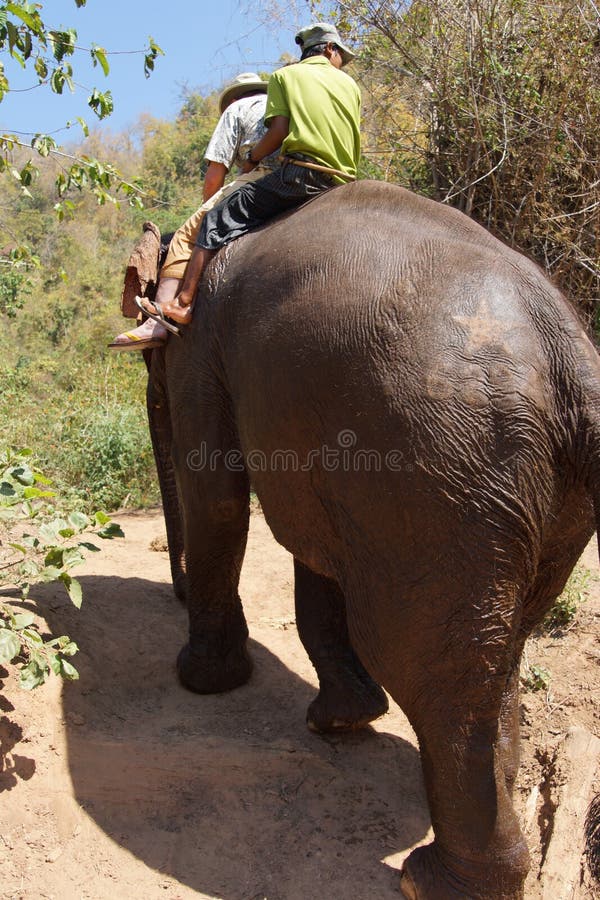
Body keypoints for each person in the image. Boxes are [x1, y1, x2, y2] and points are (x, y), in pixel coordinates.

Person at [132, 22, 360, 341]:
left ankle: (182, 304)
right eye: (341, 55)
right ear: (329, 49)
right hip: (345, 181)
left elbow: (278, 131)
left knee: (213, 221)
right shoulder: (350, 86)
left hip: (300, 175)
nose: (341, 62)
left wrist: (252, 159)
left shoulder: (285, 77)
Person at [111, 72, 278, 350]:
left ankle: (159, 318)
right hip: (298, 177)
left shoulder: (237, 108)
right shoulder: (280, 107)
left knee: (186, 236)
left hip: (260, 179)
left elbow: (215, 175)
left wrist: (207, 212)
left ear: (234, 97)